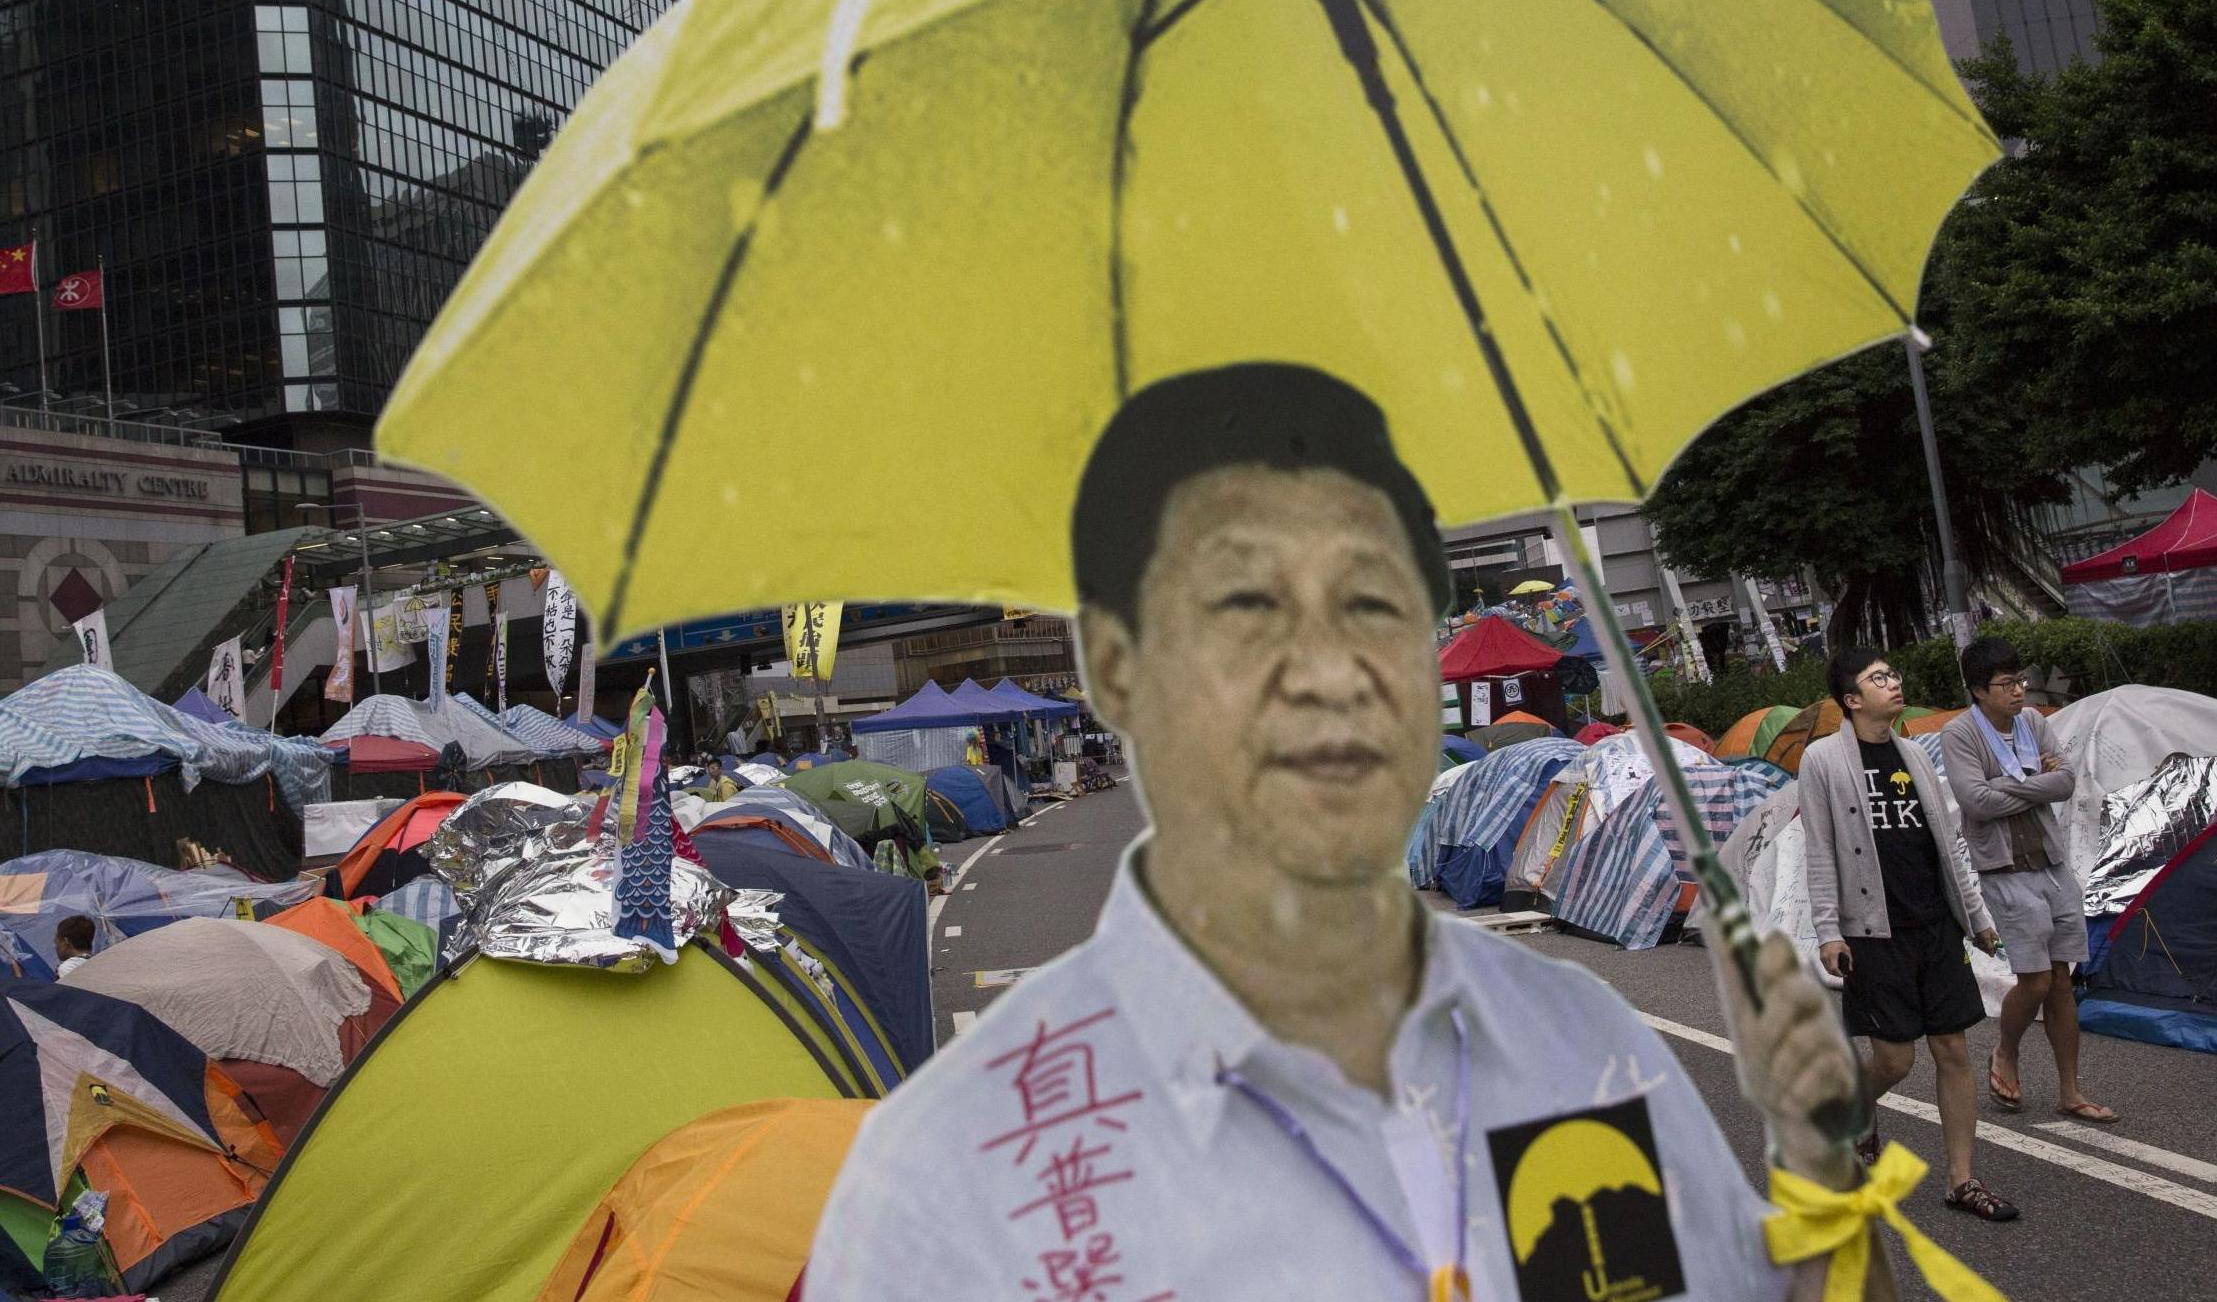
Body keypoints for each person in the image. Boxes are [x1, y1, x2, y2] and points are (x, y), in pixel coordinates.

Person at [809, 364, 1892, 1301]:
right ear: (1117, 665)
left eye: (1374, 601)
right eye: (1247, 606)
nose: (1331, 670)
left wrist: (1820, 1162)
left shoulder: (1581, 1043)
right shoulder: (950, 1176)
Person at [1801, 648, 2015, 1221]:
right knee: (1895, 1060)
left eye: (1893, 674)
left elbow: (1948, 844)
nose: (1893, 683)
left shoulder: (1917, 753)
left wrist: (1977, 919)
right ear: (1851, 700)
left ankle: (1962, 1180)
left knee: (1952, 1047)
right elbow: (1819, 850)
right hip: (1873, 930)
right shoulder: (1822, 759)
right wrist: (1828, 930)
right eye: (1878, 678)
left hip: (1934, 923)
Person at [1940, 636, 2113, 1124]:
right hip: (2005, 870)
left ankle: (2070, 1091)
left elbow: (2066, 781)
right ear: (1978, 690)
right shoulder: (1961, 735)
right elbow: (1976, 802)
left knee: (2062, 979)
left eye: (2021, 680)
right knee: (2034, 979)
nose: (2018, 691)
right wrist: (2032, 787)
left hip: (2052, 865)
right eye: (2005, 684)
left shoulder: (2034, 723)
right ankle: (2006, 1051)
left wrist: (2007, 786)